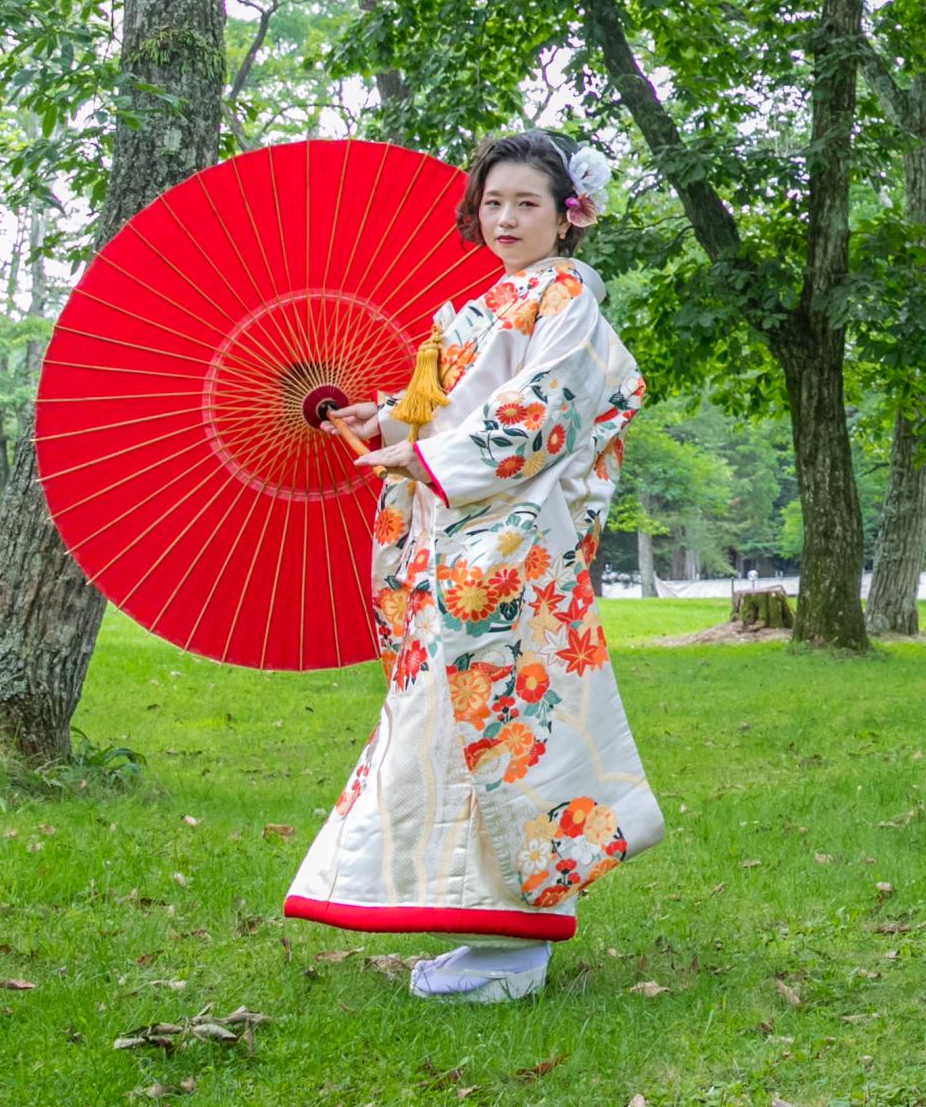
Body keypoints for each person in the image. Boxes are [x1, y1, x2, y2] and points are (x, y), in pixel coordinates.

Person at [282, 131, 667, 1003]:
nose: (506, 219)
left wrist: (428, 458)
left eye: (528, 203)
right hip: (461, 549)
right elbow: (451, 408)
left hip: (512, 555)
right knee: (456, 737)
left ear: (569, 217)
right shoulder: (491, 303)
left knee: (507, 734)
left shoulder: (565, 298)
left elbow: (543, 411)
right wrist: (387, 423)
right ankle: (487, 934)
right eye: (492, 203)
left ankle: (515, 952)